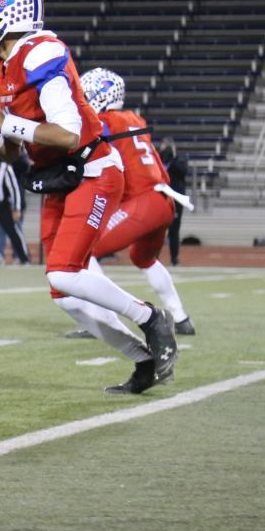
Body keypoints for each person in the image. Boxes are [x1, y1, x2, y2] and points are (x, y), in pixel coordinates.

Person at [0, 0, 177, 395]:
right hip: (59, 179)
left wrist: (6, 121)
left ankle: (151, 319)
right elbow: (12, 151)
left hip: (93, 168)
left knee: (65, 272)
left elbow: (69, 133)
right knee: (65, 293)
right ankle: (142, 360)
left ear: (4, 14)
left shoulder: (41, 52)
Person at [79, 67, 195, 334]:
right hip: (163, 199)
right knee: (143, 257)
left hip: (144, 201)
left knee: (84, 250)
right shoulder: (133, 119)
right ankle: (180, 317)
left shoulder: (107, 122)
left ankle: (103, 320)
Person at [160, 137, 190, 265]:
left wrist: (173, 157)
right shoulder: (158, 158)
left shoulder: (180, 158)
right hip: (162, 197)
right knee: (158, 230)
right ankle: (153, 258)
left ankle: (174, 258)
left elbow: (182, 172)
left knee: (174, 230)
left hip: (176, 198)